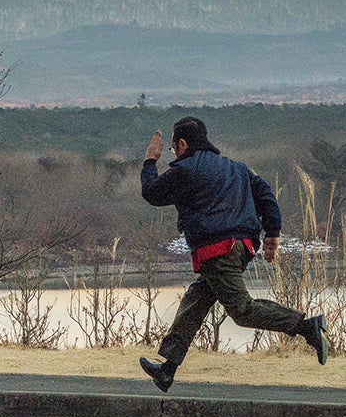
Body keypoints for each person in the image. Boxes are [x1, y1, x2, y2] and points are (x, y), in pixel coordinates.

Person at [137, 116, 327, 391]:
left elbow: (152, 193)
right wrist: (272, 232)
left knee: (242, 311)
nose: (174, 155)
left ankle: (307, 327)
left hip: (218, 249)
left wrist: (150, 161)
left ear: (181, 143)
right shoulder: (237, 168)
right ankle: (167, 369)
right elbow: (266, 194)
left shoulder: (186, 169)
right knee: (196, 300)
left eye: (174, 150)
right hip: (243, 247)